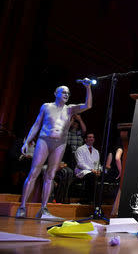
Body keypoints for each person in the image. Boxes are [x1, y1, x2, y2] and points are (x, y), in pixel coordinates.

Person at [16, 80, 92, 220]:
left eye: (68, 93)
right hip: (44, 140)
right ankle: (22, 207)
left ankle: (44, 209)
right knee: (34, 172)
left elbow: (88, 105)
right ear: (55, 93)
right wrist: (27, 142)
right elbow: (37, 124)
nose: (66, 94)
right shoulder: (46, 107)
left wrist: (87, 87)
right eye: (63, 92)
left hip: (60, 143)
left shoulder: (70, 109)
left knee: (50, 175)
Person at [74, 132, 101, 204]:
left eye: (93, 137)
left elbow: (98, 164)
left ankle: (98, 200)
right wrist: (91, 170)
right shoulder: (80, 149)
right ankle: (89, 199)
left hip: (93, 172)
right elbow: (80, 163)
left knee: (101, 176)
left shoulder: (96, 151)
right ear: (85, 139)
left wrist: (98, 170)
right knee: (91, 176)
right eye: (89, 137)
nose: (91, 138)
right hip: (82, 171)